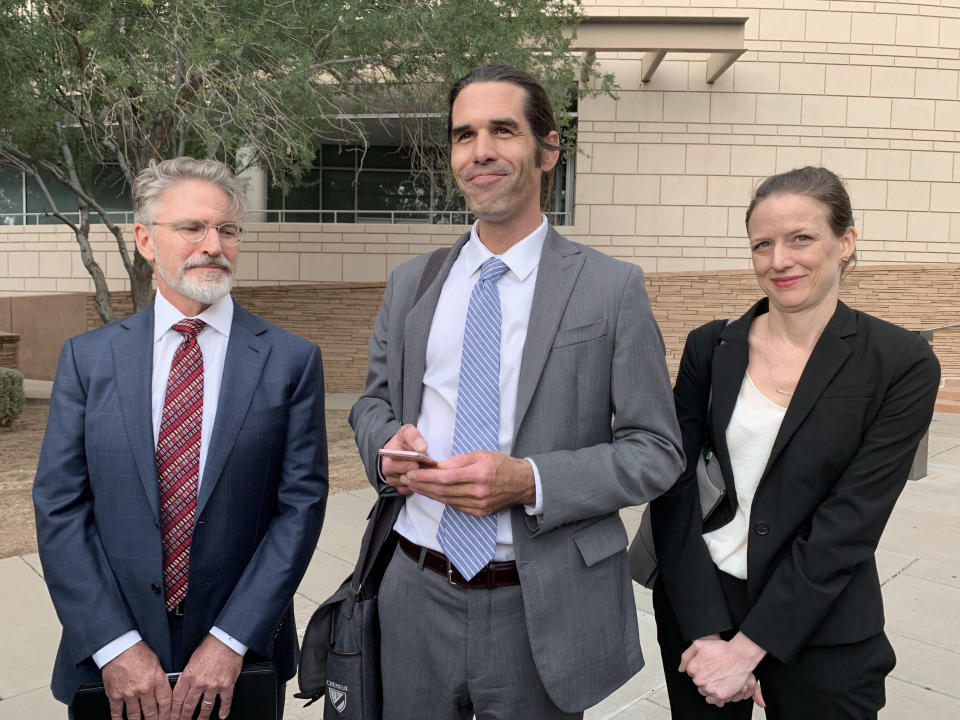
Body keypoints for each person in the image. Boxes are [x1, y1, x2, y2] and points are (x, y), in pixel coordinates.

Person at [348, 64, 684, 719]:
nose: (481, 151)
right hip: (415, 593)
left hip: (542, 606)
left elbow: (656, 449)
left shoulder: (611, 288)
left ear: (548, 148)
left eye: (503, 130)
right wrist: (385, 442)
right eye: (464, 135)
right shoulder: (411, 283)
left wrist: (529, 481)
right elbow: (372, 403)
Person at [33, 157, 328, 720]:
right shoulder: (89, 359)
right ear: (145, 239)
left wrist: (231, 639)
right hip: (109, 659)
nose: (213, 244)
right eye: (193, 227)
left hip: (239, 662)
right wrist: (115, 644)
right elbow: (59, 508)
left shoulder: (290, 361)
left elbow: (300, 509)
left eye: (228, 230)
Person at [650, 166, 940, 719]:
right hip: (701, 609)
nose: (779, 260)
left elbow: (851, 519)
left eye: (801, 238)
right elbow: (675, 488)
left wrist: (749, 648)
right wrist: (710, 634)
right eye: (763, 244)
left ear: (845, 242)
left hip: (821, 621)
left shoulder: (899, 362)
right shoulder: (711, 347)